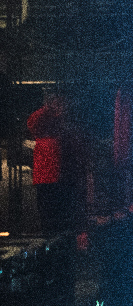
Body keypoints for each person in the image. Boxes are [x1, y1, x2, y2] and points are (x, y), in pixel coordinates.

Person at [25, 89, 81, 233]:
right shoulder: (46, 130)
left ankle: (57, 237)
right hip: (48, 177)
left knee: (57, 213)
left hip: (58, 177)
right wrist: (48, 108)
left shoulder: (62, 131)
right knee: (50, 213)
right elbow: (32, 122)